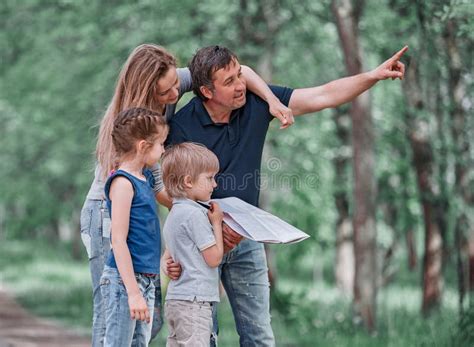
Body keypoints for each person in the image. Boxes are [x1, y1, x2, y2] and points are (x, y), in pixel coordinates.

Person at [166, 45, 408, 346]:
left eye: (239, 75)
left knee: (259, 336)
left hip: (246, 240)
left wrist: (372, 76)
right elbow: (171, 191)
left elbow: (323, 95)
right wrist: (178, 247)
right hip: (201, 244)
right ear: (205, 90)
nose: (240, 85)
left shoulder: (255, 103)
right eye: (228, 82)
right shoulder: (180, 127)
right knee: (202, 337)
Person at [79, 43, 294, 346]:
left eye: (174, 87)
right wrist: (210, 222)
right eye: (165, 93)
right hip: (108, 213)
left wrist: (272, 101)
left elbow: (240, 70)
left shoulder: (171, 81)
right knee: (114, 313)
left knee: (148, 315)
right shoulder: (131, 131)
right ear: (146, 91)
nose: (175, 96)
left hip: (140, 212)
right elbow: (163, 191)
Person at [100, 107, 168, 346]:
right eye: (161, 144)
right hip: (124, 281)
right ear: (142, 146)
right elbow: (118, 240)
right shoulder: (123, 183)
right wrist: (133, 293)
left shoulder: (145, 177)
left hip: (146, 279)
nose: (163, 149)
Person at [161, 142, 223, 346]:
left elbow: (170, 255)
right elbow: (214, 258)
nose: (215, 184)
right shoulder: (195, 215)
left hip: (175, 300)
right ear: (188, 181)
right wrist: (216, 223)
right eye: (209, 178)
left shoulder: (175, 214)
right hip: (194, 302)